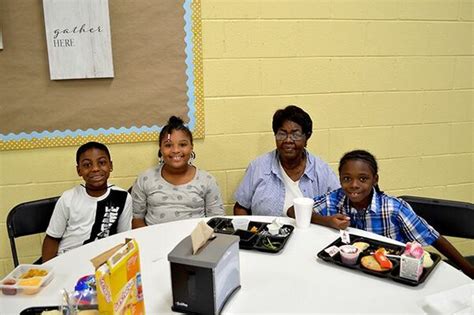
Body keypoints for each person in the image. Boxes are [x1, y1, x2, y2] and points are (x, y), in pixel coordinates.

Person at [288, 149, 473, 278]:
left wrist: (468, 270)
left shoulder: (394, 208)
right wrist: (326, 220)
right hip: (348, 272)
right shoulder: (335, 199)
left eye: (363, 179)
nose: (353, 185)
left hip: (388, 273)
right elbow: (292, 211)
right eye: (346, 179)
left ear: (375, 179)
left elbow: (432, 237)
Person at [234, 105, 340, 216]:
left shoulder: (322, 170)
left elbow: (340, 205)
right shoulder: (258, 167)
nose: (288, 140)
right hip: (264, 232)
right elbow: (241, 207)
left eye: (296, 134)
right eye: (282, 134)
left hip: (310, 233)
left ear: (306, 137)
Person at [42, 142, 132, 262]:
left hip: (102, 261)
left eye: (102, 163)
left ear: (110, 165)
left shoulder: (122, 197)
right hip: (68, 259)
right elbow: (52, 239)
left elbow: (123, 239)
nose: (95, 169)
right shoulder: (68, 198)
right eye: (87, 165)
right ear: (79, 170)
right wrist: (48, 270)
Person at [131, 116, 224, 228]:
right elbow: (136, 219)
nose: (175, 150)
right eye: (168, 145)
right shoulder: (145, 179)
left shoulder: (207, 181)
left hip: (196, 242)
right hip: (156, 241)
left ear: (191, 147)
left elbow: (216, 221)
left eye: (183, 145)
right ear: (160, 148)